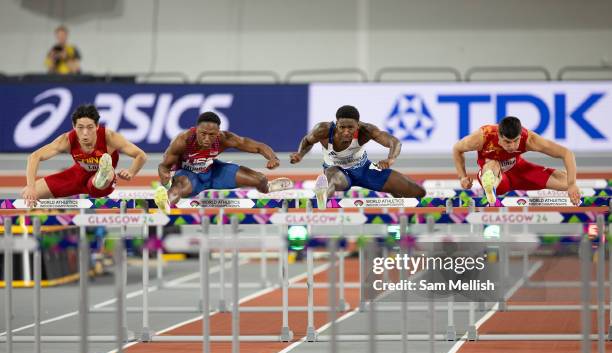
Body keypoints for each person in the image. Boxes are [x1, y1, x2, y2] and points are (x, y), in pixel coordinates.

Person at [289, 105, 425, 209]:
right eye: (342, 127)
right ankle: (322, 195)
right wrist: (300, 154)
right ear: (336, 124)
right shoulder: (323, 130)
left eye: (351, 128)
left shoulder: (366, 131)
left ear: (358, 126)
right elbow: (307, 141)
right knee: (333, 177)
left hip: (365, 170)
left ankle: (402, 207)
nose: (346, 132)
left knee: (418, 192)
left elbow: (395, 142)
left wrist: (390, 159)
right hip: (337, 170)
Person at [154, 111, 292, 212]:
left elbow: (258, 146)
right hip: (189, 176)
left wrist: (273, 158)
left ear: (218, 132)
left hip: (213, 172)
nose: (207, 139)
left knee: (259, 179)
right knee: (180, 186)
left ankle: (267, 187)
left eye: (212, 135)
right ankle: (165, 203)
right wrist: (165, 177)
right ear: (196, 130)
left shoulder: (224, 138)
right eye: (203, 134)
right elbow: (163, 166)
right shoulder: (183, 140)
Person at [21, 104, 147, 207]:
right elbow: (34, 157)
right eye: (80, 127)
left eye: (90, 127)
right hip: (77, 176)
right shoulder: (66, 140)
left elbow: (141, 155)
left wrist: (131, 172)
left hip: (103, 183)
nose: (85, 133)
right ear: (74, 126)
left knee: (105, 176)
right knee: (28, 193)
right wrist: (31, 187)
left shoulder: (110, 137)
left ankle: (102, 174)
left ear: (97, 126)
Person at [452, 116, 580, 206]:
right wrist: (462, 177)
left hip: (520, 171)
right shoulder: (483, 137)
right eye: (507, 142)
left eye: (516, 141)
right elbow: (457, 149)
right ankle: (490, 186)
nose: (512, 146)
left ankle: (491, 184)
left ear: (520, 136)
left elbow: (566, 153)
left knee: (565, 181)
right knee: (492, 164)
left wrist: (572, 184)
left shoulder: (529, 139)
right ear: (499, 136)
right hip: (498, 178)